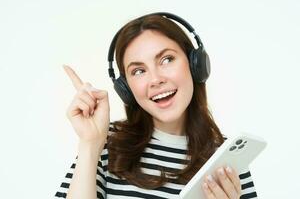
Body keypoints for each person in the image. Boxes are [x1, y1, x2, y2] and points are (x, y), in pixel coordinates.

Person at [55, 12, 258, 199]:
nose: (155, 79)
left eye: (166, 59)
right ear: (125, 88)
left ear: (194, 63)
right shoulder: (105, 144)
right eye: (138, 71)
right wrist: (90, 146)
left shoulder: (227, 158)